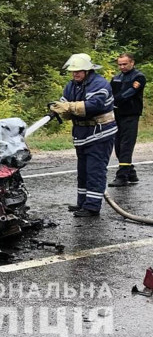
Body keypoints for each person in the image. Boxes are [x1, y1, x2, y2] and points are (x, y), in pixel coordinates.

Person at [50, 53, 117, 217]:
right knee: (83, 171)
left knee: (95, 170)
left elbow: (94, 105)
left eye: (79, 71)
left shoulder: (99, 84)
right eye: (73, 71)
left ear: (87, 70)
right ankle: (83, 203)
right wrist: (58, 109)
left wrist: (69, 107)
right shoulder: (72, 85)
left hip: (100, 133)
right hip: (82, 134)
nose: (75, 74)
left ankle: (92, 207)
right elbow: (64, 103)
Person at [109, 52, 146, 187]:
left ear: (132, 63)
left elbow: (129, 93)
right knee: (118, 146)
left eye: (125, 64)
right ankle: (131, 172)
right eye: (120, 64)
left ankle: (122, 176)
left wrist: (115, 100)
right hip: (117, 114)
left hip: (131, 115)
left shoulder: (139, 77)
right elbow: (109, 92)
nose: (122, 67)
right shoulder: (116, 78)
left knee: (126, 146)